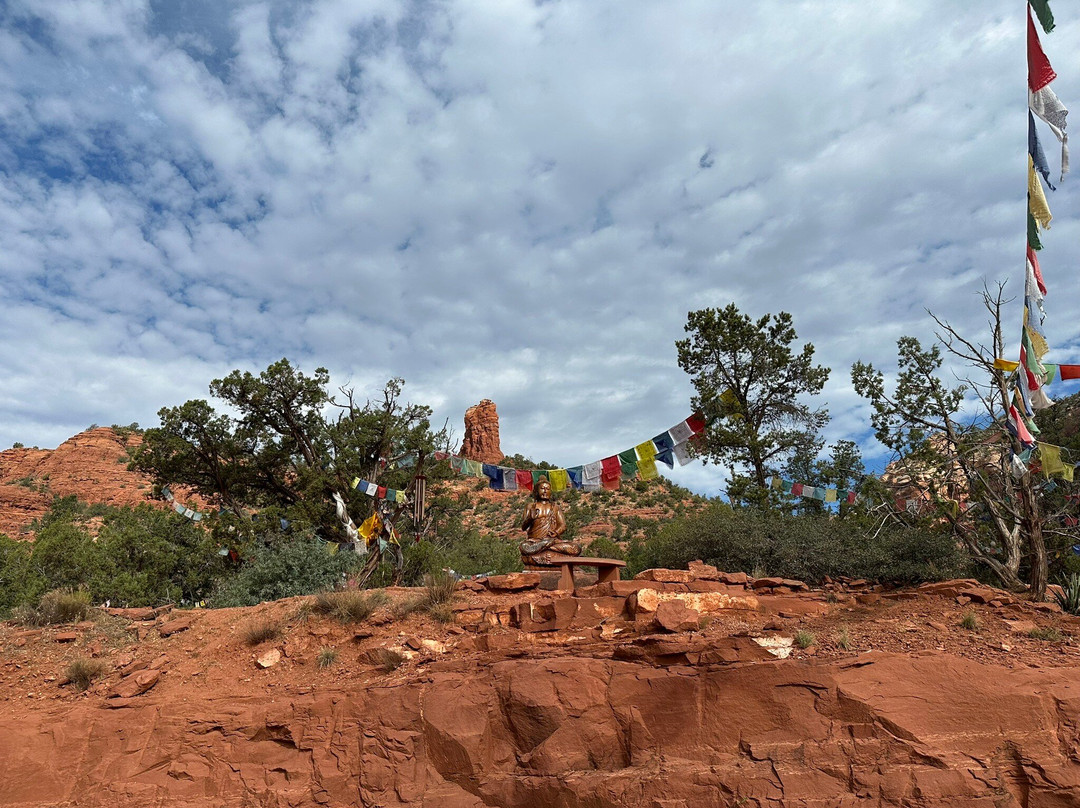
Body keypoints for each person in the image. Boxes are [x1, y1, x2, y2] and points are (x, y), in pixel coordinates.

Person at [519, 477, 580, 566]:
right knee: (524, 547)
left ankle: (546, 546)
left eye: (547, 489)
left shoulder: (555, 507)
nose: (545, 491)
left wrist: (556, 532)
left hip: (551, 541)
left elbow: (562, 525)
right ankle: (546, 547)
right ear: (536, 491)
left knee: (575, 548)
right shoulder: (530, 506)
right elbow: (523, 527)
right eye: (542, 488)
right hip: (535, 541)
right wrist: (530, 518)